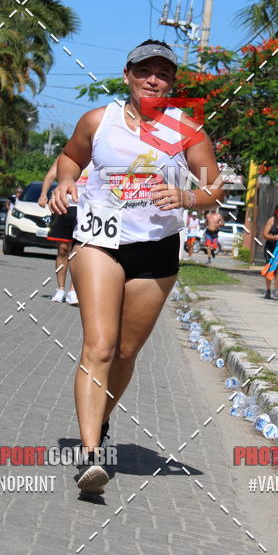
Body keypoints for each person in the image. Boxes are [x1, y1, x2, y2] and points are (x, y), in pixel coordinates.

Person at [50, 38, 223, 494]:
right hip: (99, 241)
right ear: (127, 76)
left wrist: (188, 196)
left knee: (125, 352)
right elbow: (71, 157)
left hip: (157, 248)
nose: (153, 78)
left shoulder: (187, 130)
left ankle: (99, 423)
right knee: (100, 346)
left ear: (171, 82)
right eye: (144, 70)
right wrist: (66, 181)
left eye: (162, 73)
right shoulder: (98, 120)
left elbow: (214, 187)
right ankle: (90, 457)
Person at [39, 156, 78, 305]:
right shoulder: (66, 156)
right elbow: (50, 176)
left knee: (78, 252)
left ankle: (73, 291)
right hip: (64, 206)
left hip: (86, 208)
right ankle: (60, 289)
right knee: (62, 250)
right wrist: (43, 195)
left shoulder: (97, 153)